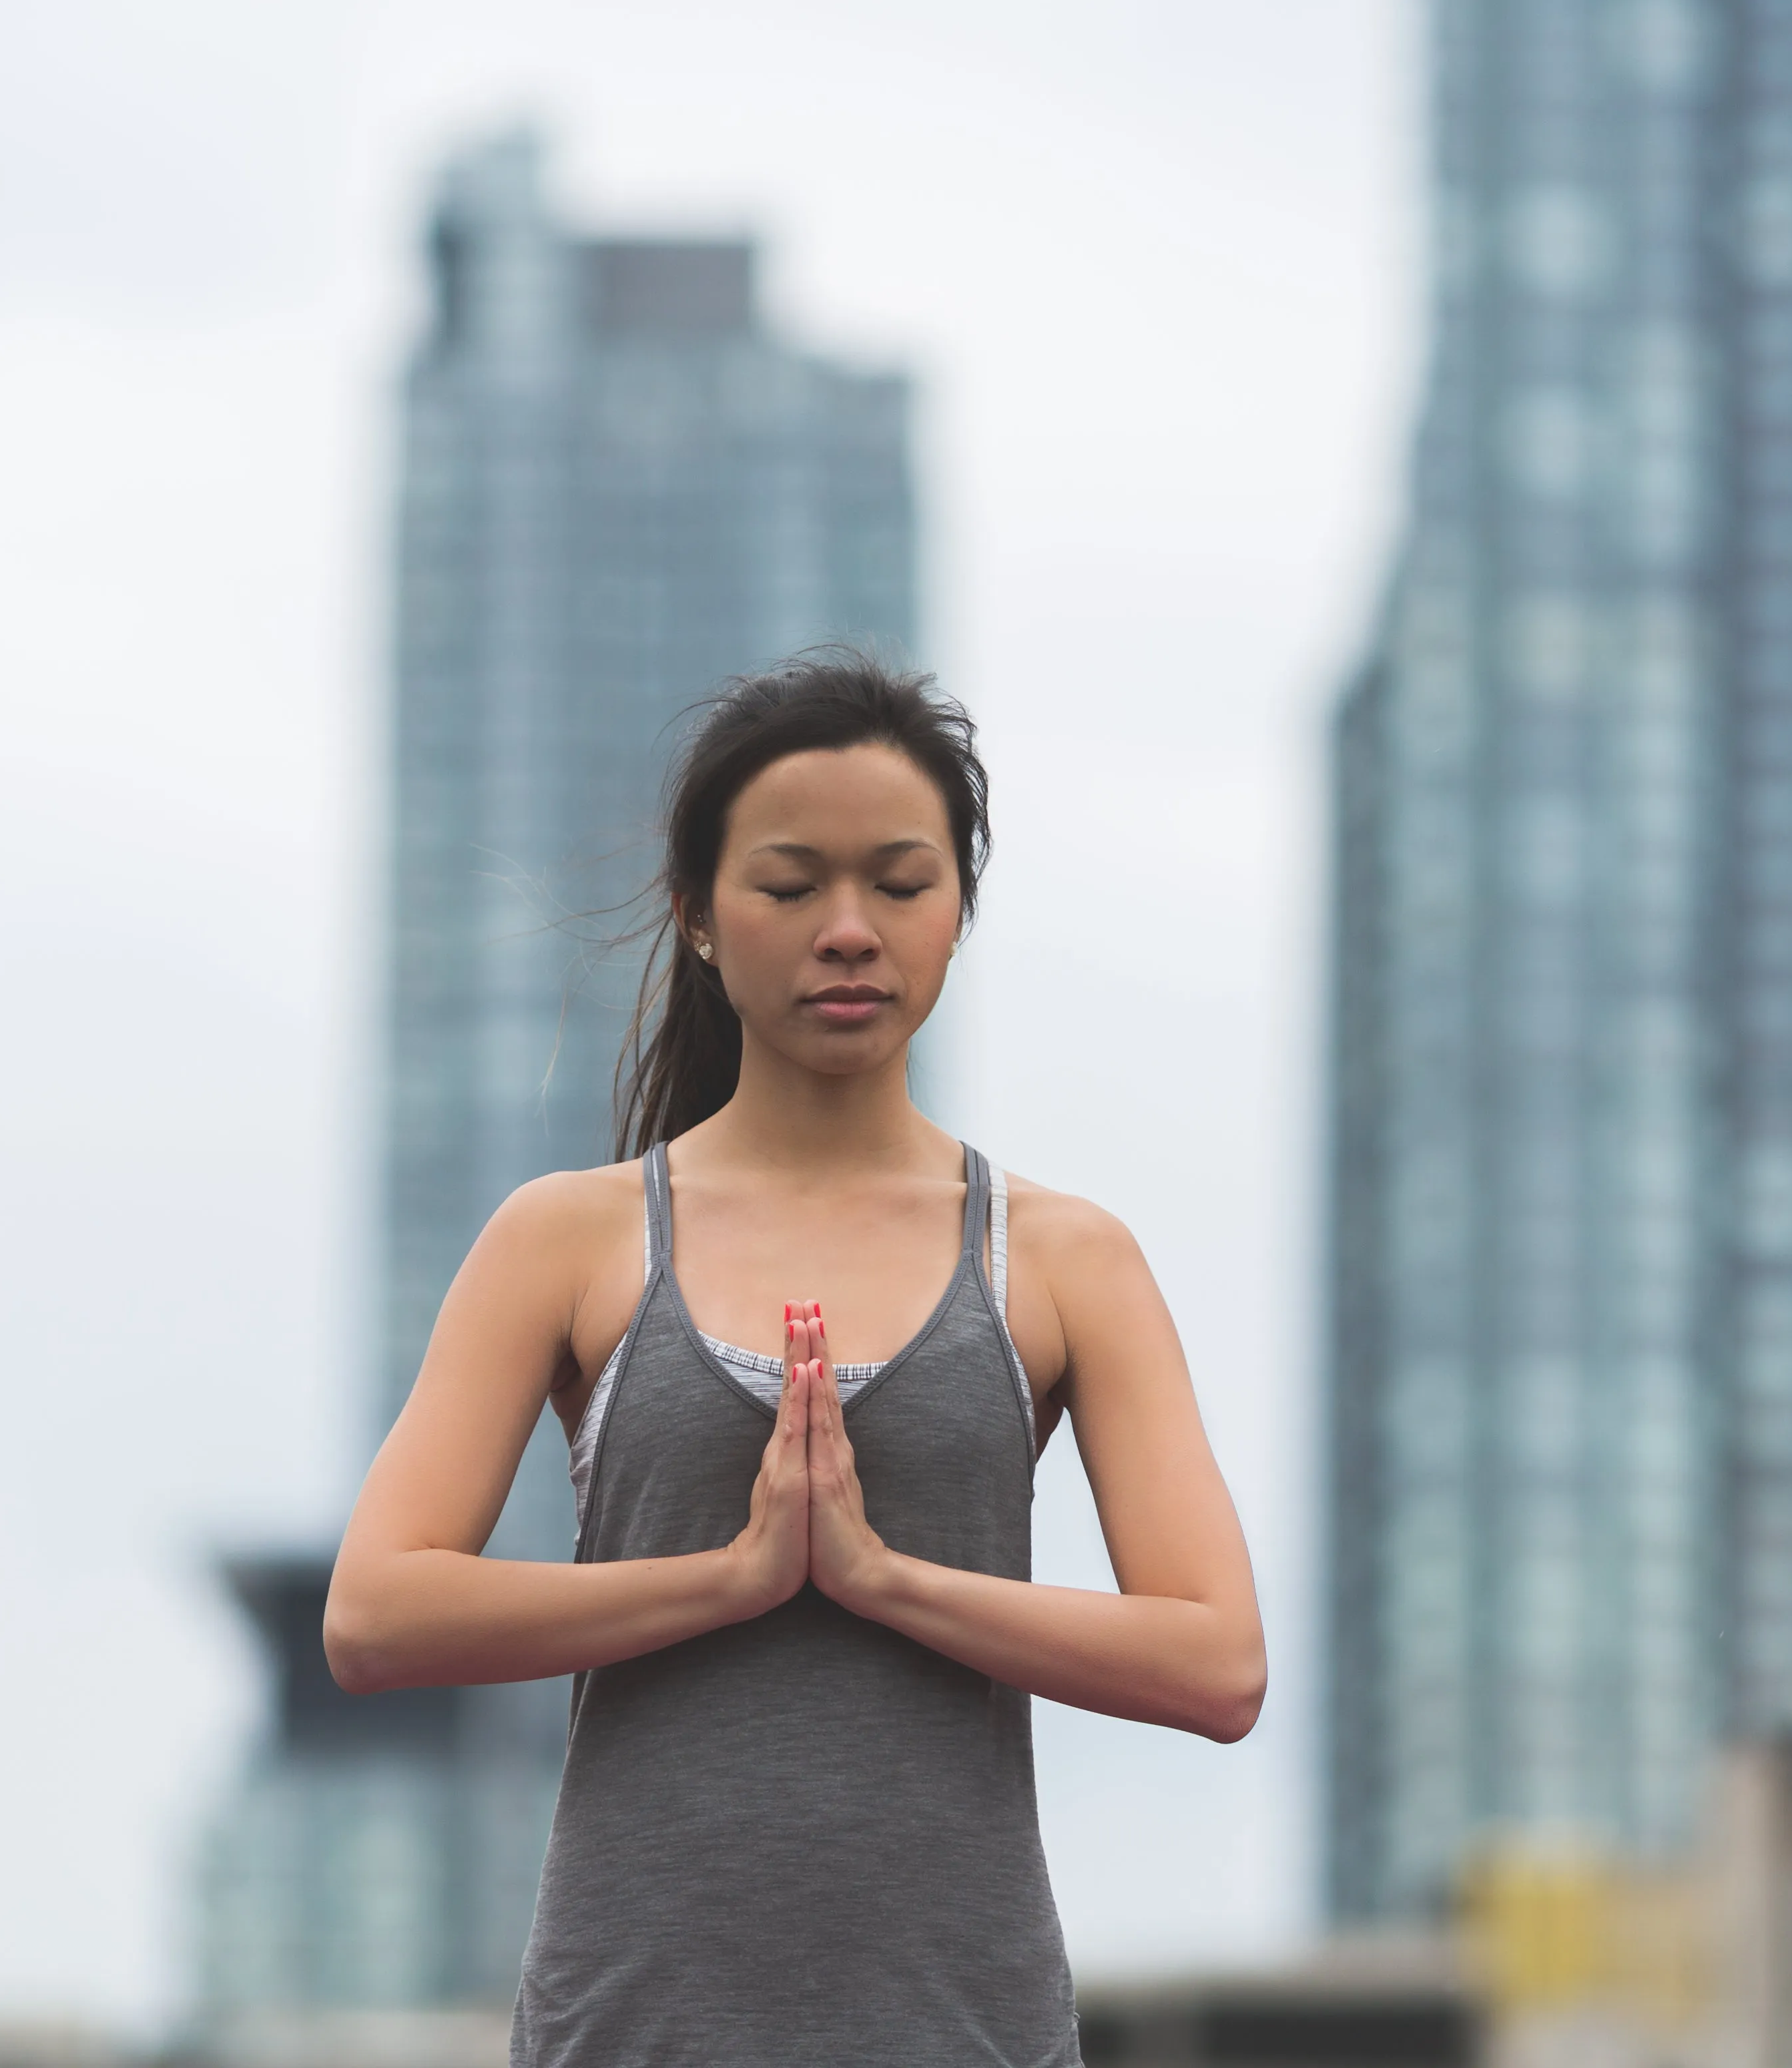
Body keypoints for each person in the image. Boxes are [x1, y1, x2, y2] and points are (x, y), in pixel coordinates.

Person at [324, 649, 1265, 2068]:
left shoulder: (1068, 1257)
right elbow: (376, 1617)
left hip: (965, 2029)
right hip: (634, 2029)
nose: (848, 929)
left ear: (958, 910)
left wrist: (882, 1579)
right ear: (701, 913)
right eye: (788, 884)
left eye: (899, 883)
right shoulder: (565, 1239)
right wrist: (731, 1578)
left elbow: (1217, 1660)